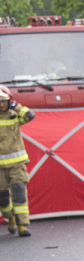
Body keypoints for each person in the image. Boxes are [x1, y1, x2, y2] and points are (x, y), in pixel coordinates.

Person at [0, 86, 35, 237]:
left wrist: (16, 106)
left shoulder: (15, 114)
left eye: (4, 101)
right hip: (0, 168)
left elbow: (30, 115)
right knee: (2, 199)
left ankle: (23, 225)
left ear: (10, 101)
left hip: (17, 165)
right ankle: (11, 218)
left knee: (19, 194)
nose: (1, 105)